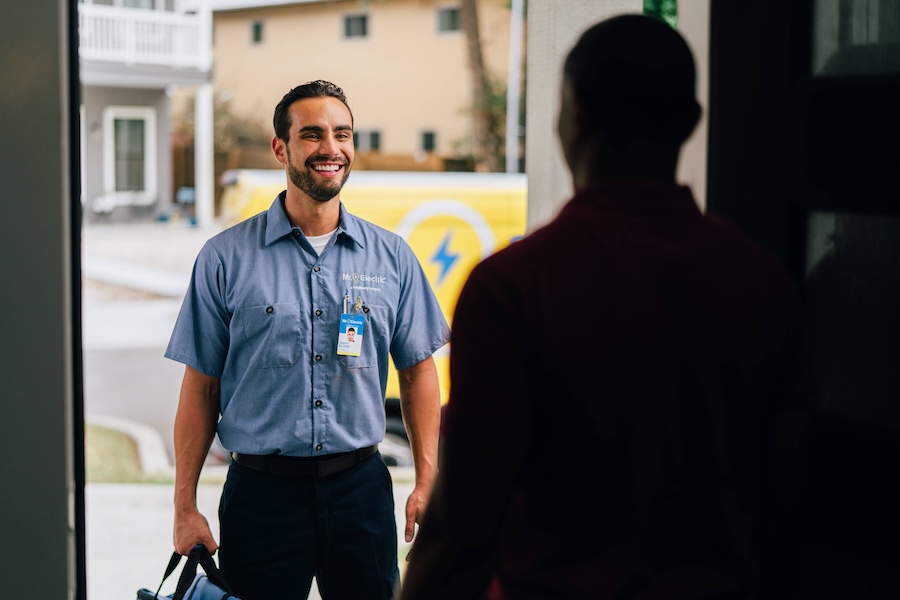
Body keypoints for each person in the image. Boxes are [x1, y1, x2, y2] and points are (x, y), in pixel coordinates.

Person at [400, 14, 815, 600]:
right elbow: (788, 491)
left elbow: (465, 522)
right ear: (691, 122)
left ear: (569, 119)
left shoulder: (514, 286)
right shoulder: (764, 282)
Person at [165, 79, 450, 600]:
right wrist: (185, 507)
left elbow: (418, 372)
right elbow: (200, 387)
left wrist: (427, 481)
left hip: (360, 490)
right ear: (282, 148)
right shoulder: (225, 258)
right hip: (261, 497)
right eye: (313, 134)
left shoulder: (392, 257)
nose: (331, 148)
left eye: (342, 134)